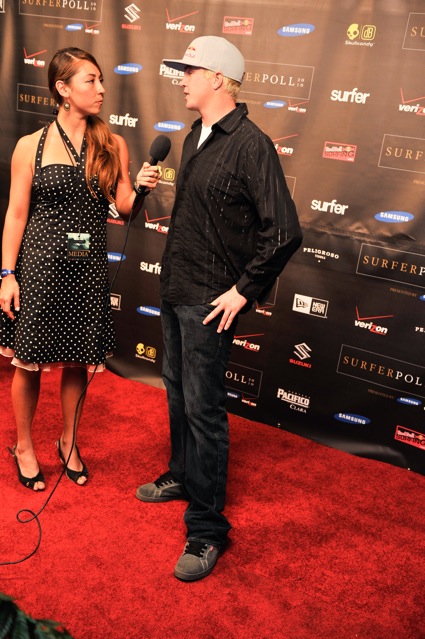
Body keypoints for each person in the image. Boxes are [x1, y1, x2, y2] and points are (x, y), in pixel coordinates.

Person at [136, 36, 303, 581]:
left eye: (188, 71)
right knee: (177, 392)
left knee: (203, 409)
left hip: (210, 301)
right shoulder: (194, 135)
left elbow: (284, 231)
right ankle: (183, 475)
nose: (181, 79)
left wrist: (243, 290)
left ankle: (207, 529)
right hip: (176, 288)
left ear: (216, 78)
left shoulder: (252, 144)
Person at [0, 47, 159, 490]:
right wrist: (7, 275)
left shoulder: (112, 144)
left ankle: (68, 441)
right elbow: (16, 214)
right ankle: (25, 445)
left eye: (101, 79)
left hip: (86, 269)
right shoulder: (30, 146)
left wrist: (141, 189)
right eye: (91, 80)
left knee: (78, 361)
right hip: (39, 269)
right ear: (63, 89)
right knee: (28, 363)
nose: (101, 88)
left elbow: (124, 207)